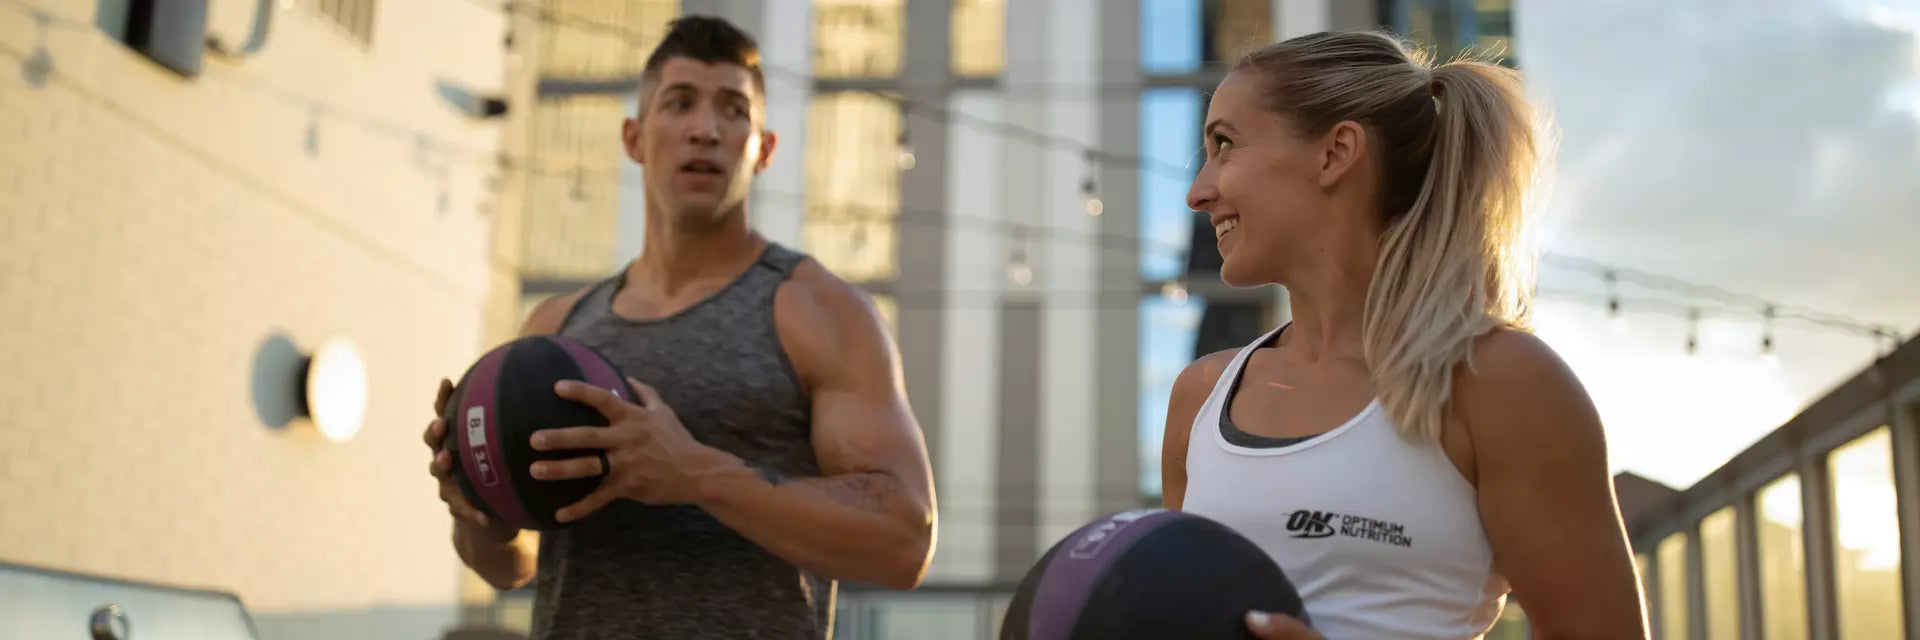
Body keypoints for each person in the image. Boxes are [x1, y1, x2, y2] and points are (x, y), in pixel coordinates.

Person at [421, 16, 937, 639]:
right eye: (680, 103)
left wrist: (692, 471)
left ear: (763, 149)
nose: (705, 129)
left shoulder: (819, 311)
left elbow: (904, 539)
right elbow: (513, 567)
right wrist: (480, 510)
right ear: (634, 138)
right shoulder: (557, 326)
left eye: (733, 110)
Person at [1161, 31, 1648, 639]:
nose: (1197, 191)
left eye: (1224, 145)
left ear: (1335, 152)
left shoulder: (1499, 382)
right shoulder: (1199, 399)